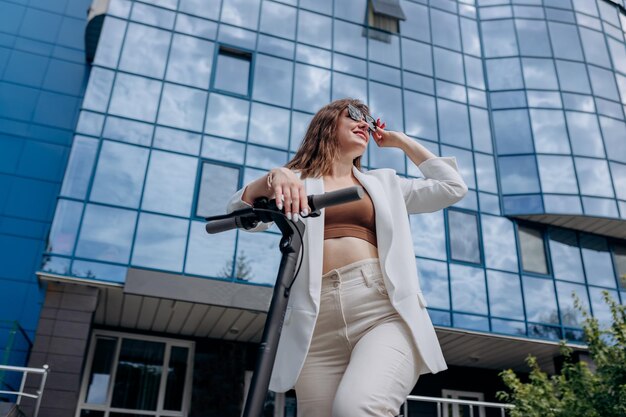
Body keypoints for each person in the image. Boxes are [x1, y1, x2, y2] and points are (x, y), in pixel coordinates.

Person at [227, 98, 467, 417]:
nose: (363, 123)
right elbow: (239, 216)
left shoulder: (384, 184)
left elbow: (451, 187)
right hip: (315, 321)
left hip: (380, 308)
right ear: (327, 124)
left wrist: (400, 140)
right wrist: (272, 179)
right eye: (353, 115)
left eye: (367, 119)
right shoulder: (295, 182)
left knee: (358, 408)